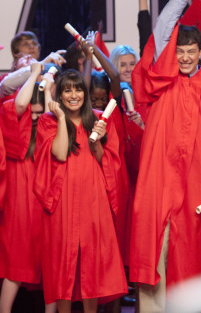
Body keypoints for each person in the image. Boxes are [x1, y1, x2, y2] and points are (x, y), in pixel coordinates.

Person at [129, 0, 201, 312]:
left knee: (187, 256)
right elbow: (163, 27)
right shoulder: (161, 79)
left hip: (194, 182)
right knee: (155, 253)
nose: (185, 57)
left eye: (192, 51)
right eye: (180, 51)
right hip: (158, 179)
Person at [34, 70, 127, 312]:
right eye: (67, 90)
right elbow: (61, 152)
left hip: (92, 195)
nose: (73, 95)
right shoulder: (48, 120)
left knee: (92, 261)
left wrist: (98, 142)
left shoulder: (98, 119)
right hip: (63, 196)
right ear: (60, 95)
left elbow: (105, 161)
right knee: (63, 263)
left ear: (85, 94)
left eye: (78, 90)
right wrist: (62, 119)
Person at [0, 62, 56, 313]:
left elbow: (51, 110)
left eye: (38, 113)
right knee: (17, 265)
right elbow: (19, 106)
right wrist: (35, 73)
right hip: (19, 204)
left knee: (52, 267)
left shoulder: (48, 125)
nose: (34, 118)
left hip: (45, 203)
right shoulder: (16, 127)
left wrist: (47, 88)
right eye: (31, 114)